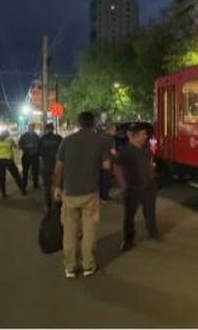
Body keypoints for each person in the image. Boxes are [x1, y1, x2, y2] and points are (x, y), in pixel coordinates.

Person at [52, 111, 112, 278]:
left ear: (78, 123)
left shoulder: (67, 141)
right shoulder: (101, 141)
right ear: (93, 123)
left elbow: (58, 167)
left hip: (69, 192)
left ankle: (70, 267)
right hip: (90, 192)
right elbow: (107, 166)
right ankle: (88, 265)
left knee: (69, 231)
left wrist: (56, 187)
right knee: (89, 230)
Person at [115, 123, 161, 251]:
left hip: (148, 187)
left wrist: (153, 175)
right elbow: (117, 168)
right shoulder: (125, 150)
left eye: (145, 134)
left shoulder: (145, 150)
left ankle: (152, 232)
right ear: (134, 136)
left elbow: (150, 165)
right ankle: (127, 240)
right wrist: (123, 185)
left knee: (150, 213)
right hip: (132, 188)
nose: (145, 137)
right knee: (129, 216)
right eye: (142, 134)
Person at [0, 130, 26, 199]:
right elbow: (17, 147)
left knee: (2, 177)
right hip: (8, 160)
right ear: (7, 136)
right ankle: (22, 189)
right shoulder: (10, 140)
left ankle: (3, 193)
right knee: (16, 175)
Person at [37, 123, 63, 208]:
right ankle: (58, 203)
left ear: (45, 130)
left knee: (46, 185)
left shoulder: (42, 139)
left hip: (46, 165)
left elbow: (38, 153)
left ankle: (48, 204)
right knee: (58, 184)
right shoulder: (59, 138)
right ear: (53, 129)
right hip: (57, 164)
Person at [99, 123, 121, 202]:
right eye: (115, 130)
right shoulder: (111, 139)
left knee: (101, 179)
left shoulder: (100, 137)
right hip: (107, 162)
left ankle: (100, 196)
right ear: (111, 129)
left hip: (99, 162)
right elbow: (113, 151)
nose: (116, 132)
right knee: (106, 179)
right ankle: (105, 197)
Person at [18, 123, 42, 190]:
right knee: (25, 172)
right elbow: (20, 145)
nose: (31, 129)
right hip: (26, 156)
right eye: (30, 128)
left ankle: (35, 184)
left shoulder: (36, 136)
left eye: (32, 128)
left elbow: (39, 146)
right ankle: (24, 187)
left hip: (34, 156)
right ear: (28, 128)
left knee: (35, 171)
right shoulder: (24, 136)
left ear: (33, 128)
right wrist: (27, 146)